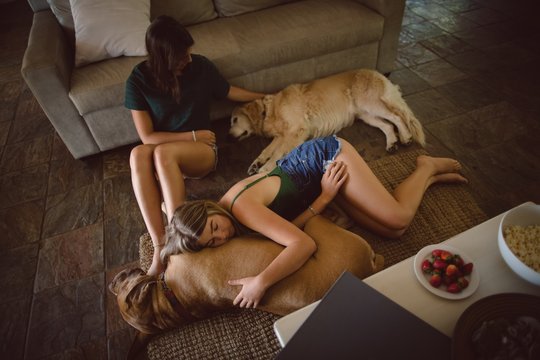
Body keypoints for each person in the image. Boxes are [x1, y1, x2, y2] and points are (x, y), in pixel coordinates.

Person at [163, 135, 467, 308]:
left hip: (326, 159)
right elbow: (288, 227)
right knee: (395, 231)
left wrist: (261, 281)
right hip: (320, 188)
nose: (222, 237)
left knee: (398, 217)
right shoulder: (230, 220)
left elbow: (303, 243)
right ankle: (427, 181)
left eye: (215, 228)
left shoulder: (241, 209)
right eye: (212, 242)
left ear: (210, 208)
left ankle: (426, 168)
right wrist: (321, 200)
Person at [125, 15, 265, 276]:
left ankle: (179, 235)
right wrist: (191, 135)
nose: (187, 60)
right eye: (180, 57)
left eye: (187, 53)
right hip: (177, 148)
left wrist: (266, 97)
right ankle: (160, 245)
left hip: (200, 153)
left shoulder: (199, 66)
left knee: (163, 153)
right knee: (137, 154)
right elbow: (147, 137)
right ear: (162, 59)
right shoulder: (138, 80)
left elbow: (228, 91)